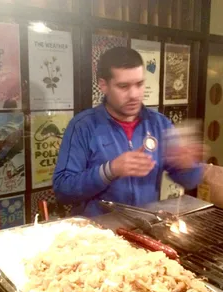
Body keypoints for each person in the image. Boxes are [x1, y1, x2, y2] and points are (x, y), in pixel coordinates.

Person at [53, 47, 204, 217]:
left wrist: (187, 165)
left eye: (139, 84)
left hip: (145, 228)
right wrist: (110, 170)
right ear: (104, 85)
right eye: (123, 86)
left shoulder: (159, 123)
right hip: (97, 235)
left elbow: (189, 182)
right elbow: (63, 190)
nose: (134, 94)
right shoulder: (83, 126)